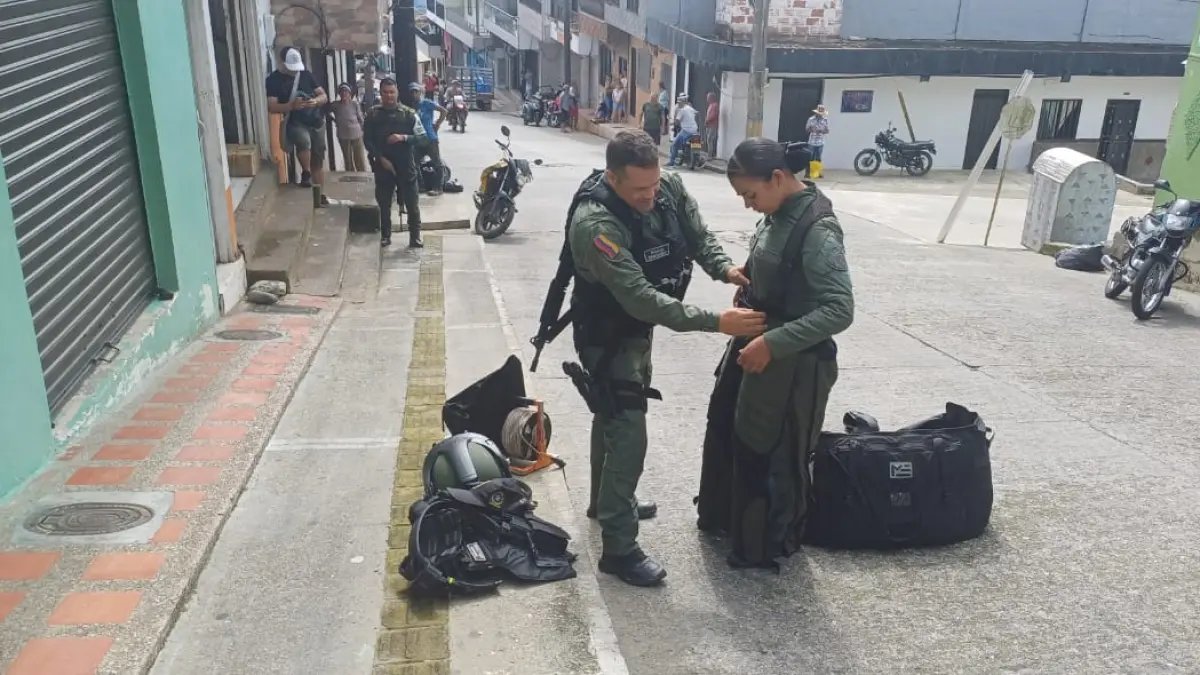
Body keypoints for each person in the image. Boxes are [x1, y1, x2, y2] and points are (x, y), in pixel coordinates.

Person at [564, 130, 766, 586]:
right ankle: (619, 547)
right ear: (612, 178)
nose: (650, 196)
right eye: (639, 190)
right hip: (607, 336)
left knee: (611, 416)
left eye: (653, 185)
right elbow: (641, 299)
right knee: (627, 431)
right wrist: (718, 321)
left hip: (636, 334)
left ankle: (606, 501)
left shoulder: (667, 188)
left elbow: (696, 234)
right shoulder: (595, 225)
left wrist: (726, 269)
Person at [696, 137, 853, 569]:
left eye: (751, 195)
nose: (748, 205)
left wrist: (773, 343)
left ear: (778, 178)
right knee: (729, 428)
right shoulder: (776, 212)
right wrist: (751, 279)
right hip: (757, 341)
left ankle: (764, 542)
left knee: (768, 449)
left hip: (792, 361)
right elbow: (778, 263)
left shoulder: (818, 229)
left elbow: (840, 309)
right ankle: (728, 521)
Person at [363, 78, 425, 248]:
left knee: (412, 203)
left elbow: (423, 138)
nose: (389, 96)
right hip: (383, 165)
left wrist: (403, 137)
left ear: (397, 93)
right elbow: (367, 140)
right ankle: (386, 235)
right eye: (385, 92)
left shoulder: (409, 114)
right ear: (380, 94)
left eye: (392, 92)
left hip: (406, 164)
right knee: (384, 203)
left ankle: (415, 236)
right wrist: (380, 158)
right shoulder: (373, 114)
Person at [266, 47, 328, 192]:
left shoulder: (306, 75)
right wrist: (291, 106)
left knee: (318, 159)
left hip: (315, 120)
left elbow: (323, 95)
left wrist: (315, 101)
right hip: (295, 120)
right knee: (303, 141)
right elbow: (272, 106)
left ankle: (320, 192)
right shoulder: (273, 80)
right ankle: (305, 172)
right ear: (282, 62)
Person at [415, 86, 448, 196]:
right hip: (418, 139)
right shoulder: (411, 106)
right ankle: (421, 186)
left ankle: (438, 187)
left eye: (416, 91)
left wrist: (437, 124)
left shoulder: (427, 103)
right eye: (412, 92)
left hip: (430, 138)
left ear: (421, 92)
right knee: (414, 163)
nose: (414, 94)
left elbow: (444, 111)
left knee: (436, 163)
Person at [331, 83, 367, 172]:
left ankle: (362, 175)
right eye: (342, 92)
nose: (344, 94)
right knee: (347, 159)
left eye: (346, 92)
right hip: (343, 135)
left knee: (359, 158)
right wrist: (334, 120)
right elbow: (326, 111)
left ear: (350, 94)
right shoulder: (335, 105)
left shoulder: (355, 104)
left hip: (357, 134)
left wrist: (364, 129)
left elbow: (360, 118)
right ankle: (350, 177)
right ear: (339, 94)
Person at [668, 94, 699, 168]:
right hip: (695, 130)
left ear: (683, 102)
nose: (678, 103)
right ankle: (695, 159)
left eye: (679, 102)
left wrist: (671, 124)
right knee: (696, 144)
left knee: (674, 145)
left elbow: (677, 122)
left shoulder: (682, 110)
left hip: (686, 130)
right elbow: (697, 113)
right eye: (678, 102)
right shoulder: (690, 108)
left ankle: (671, 162)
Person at [805, 104, 829, 179]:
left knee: (818, 158)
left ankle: (817, 173)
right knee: (810, 157)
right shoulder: (811, 119)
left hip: (820, 141)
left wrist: (822, 130)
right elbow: (807, 129)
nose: (820, 115)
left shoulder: (825, 120)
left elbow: (827, 130)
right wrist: (813, 129)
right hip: (812, 141)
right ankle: (808, 173)